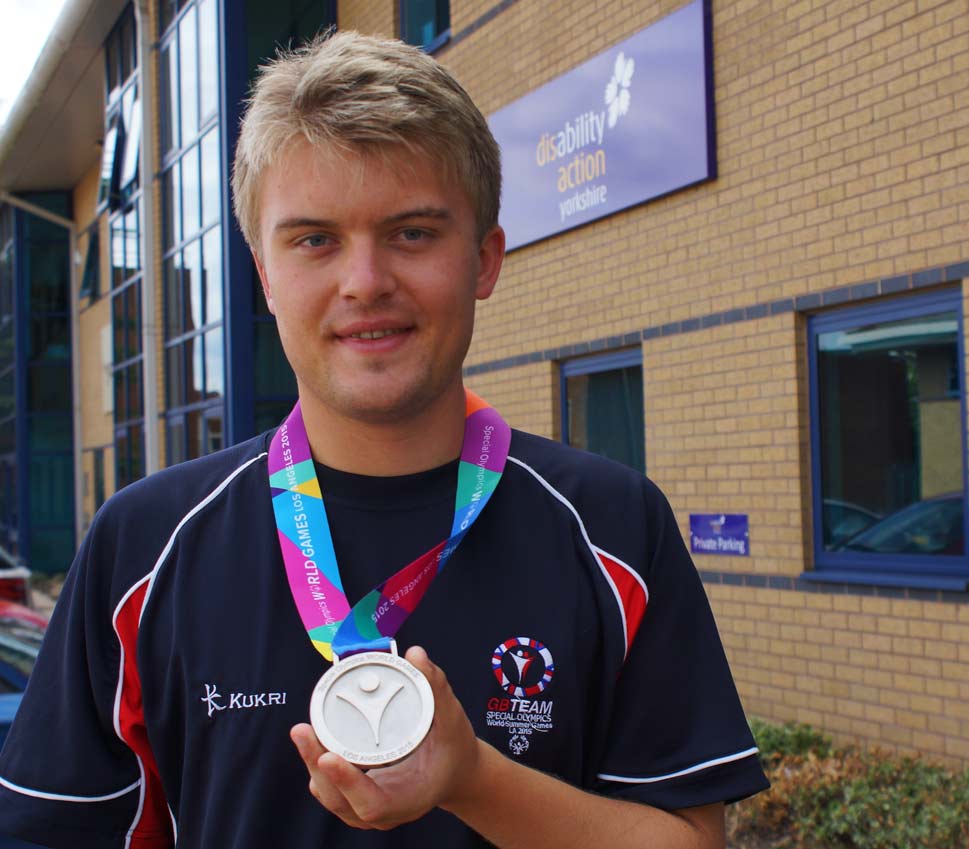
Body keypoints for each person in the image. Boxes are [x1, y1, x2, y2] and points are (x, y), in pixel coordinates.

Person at [0, 31, 767, 849]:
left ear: (484, 260)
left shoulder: (614, 526)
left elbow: (692, 840)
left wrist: (475, 781)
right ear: (263, 273)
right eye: (315, 240)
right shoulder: (144, 545)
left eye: (411, 233)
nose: (365, 281)